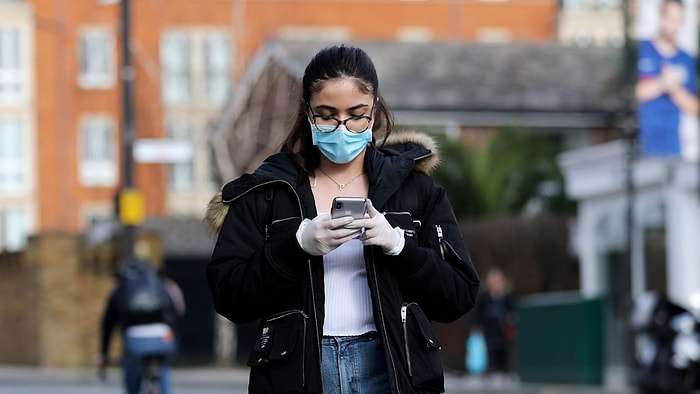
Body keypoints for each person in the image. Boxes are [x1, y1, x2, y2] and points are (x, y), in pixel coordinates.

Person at [205, 44, 480, 393]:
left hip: (393, 367)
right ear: (307, 113)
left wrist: (399, 246)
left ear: (375, 109)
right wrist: (295, 246)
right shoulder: (267, 191)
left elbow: (459, 295)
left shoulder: (416, 189)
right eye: (327, 114)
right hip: (299, 371)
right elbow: (229, 296)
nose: (342, 126)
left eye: (356, 113)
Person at [98, 241, 184, 394]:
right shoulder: (161, 282)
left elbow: (108, 323)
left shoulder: (121, 287)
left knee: (132, 370)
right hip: (163, 337)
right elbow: (175, 310)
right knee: (162, 367)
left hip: (135, 339)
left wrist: (104, 355)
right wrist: (174, 336)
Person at [636, 0, 699, 160]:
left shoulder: (687, 59)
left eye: (677, 20)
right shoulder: (642, 50)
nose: (672, 25)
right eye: (669, 18)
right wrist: (661, 83)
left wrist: (675, 88)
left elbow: (694, 107)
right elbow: (630, 93)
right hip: (641, 146)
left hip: (672, 148)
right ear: (661, 17)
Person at [472, 268, 516, 379]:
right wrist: (476, 327)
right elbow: (478, 314)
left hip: (503, 332)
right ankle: (489, 371)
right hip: (488, 331)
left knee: (503, 352)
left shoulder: (507, 297)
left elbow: (512, 311)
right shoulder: (483, 297)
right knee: (489, 352)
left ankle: (504, 371)